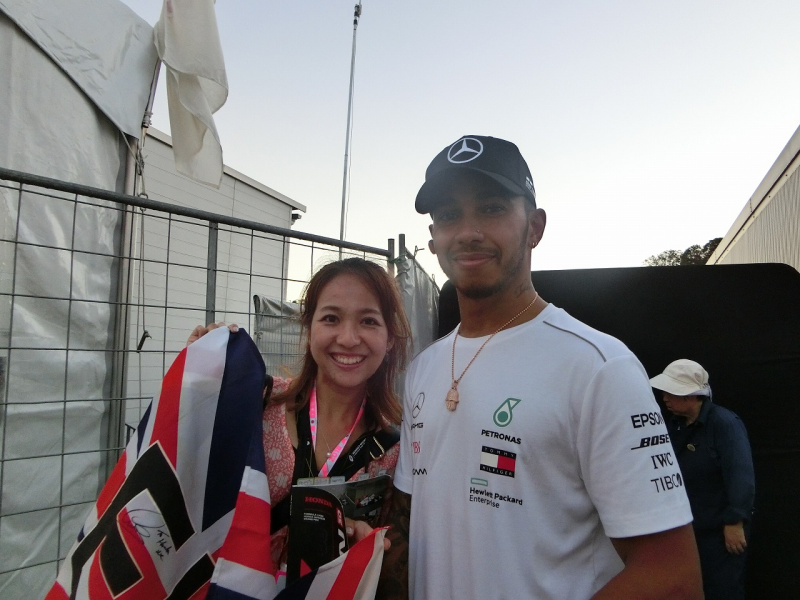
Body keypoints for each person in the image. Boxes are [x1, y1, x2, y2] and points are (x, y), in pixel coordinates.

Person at [376, 135, 703, 599]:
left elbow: (673, 579)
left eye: (490, 207)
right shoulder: (425, 369)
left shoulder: (598, 367)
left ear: (534, 226)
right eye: (449, 215)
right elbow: (414, 527)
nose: (468, 231)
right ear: (433, 240)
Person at [188, 257, 411, 577]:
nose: (348, 338)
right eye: (331, 318)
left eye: (369, 321)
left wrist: (363, 542)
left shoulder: (395, 449)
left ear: (390, 338)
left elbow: (387, 552)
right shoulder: (256, 401)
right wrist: (198, 383)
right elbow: (187, 480)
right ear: (309, 327)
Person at [650, 359, 755, 600]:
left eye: (671, 392)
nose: (664, 397)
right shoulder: (673, 424)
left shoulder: (724, 424)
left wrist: (735, 521)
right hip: (687, 530)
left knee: (722, 590)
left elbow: (741, 474)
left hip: (720, 532)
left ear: (690, 396)